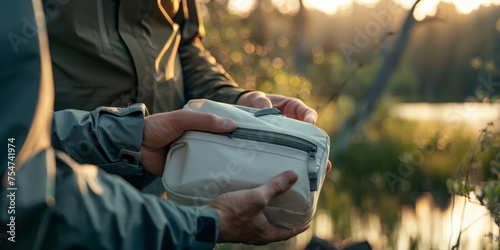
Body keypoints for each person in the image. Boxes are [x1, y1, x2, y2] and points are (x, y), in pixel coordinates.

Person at [0, 0, 310, 249]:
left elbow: (184, 46)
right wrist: (204, 225)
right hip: (69, 198)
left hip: (162, 182)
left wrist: (236, 100)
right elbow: (19, 195)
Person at [43, 0, 325, 195]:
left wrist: (236, 99)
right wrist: (125, 137)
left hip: (165, 188)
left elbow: (185, 45)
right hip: (53, 188)